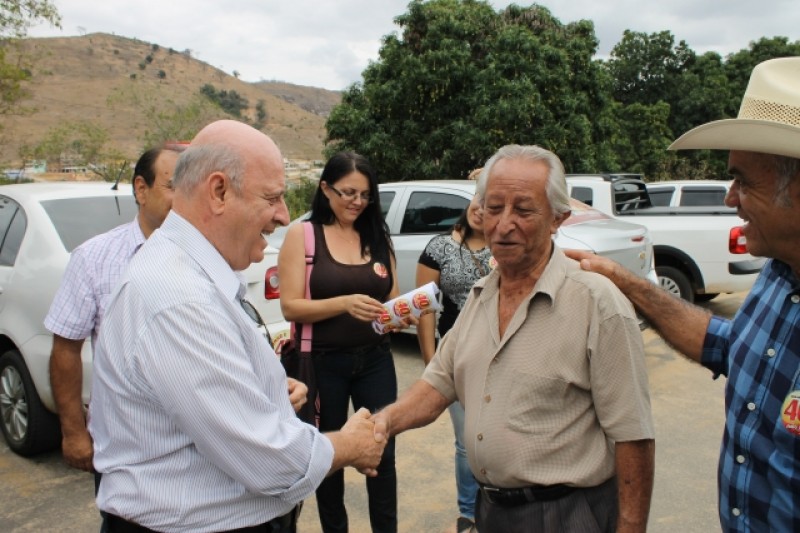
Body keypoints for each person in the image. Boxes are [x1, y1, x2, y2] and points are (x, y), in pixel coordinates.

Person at [88, 120, 385, 533]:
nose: (283, 215)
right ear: (219, 191)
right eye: (272, 198)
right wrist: (349, 445)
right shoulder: (179, 298)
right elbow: (269, 460)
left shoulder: (189, 275)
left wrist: (262, 389)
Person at [566, 57, 800, 532]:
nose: (730, 198)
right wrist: (627, 282)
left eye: (744, 180)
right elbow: (729, 347)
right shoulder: (779, 275)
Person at [373, 144, 655, 533]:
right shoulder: (480, 297)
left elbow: (633, 436)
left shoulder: (597, 304)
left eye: (523, 210)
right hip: (492, 511)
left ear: (557, 218)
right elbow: (437, 384)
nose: (504, 224)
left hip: (567, 516)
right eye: (493, 208)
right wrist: (380, 424)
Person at [278, 151, 402, 533]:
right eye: (348, 192)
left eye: (365, 195)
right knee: (328, 458)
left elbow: (392, 297)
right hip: (322, 364)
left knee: (382, 452)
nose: (357, 202)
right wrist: (344, 304)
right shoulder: (303, 235)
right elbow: (290, 306)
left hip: (376, 359)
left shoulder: (377, 235)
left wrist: (402, 313)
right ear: (326, 189)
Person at [47, 144, 181, 474]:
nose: (183, 199)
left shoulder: (208, 258)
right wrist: (74, 432)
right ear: (141, 189)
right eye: (172, 186)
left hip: (196, 445)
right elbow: (65, 349)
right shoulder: (93, 259)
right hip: (124, 451)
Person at [415, 190, 490, 533]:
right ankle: (468, 514)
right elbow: (425, 308)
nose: (481, 210)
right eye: (479, 201)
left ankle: (497, 507)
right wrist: (432, 362)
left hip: (499, 353)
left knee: (497, 435)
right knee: (465, 440)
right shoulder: (439, 248)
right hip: (456, 356)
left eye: (490, 205)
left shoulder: (505, 247)